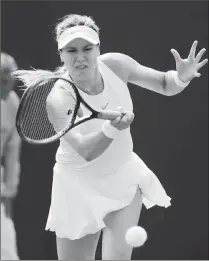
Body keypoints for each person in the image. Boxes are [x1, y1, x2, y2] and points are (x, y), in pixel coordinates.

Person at [13, 14, 208, 260]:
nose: (80, 57)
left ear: (98, 48)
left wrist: (182, 77)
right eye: (71, 50)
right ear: (61, 54)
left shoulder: (117, 65)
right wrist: (113, 128)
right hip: (77, 185)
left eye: (87, 48)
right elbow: (86, 151)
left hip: (122, 175)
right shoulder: (59, 98)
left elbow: (164, 84)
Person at [1, 52, 21, 260]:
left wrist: (9, 190)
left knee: (7, 253)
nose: (7, 86)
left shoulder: (12, 102)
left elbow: (12, 152)